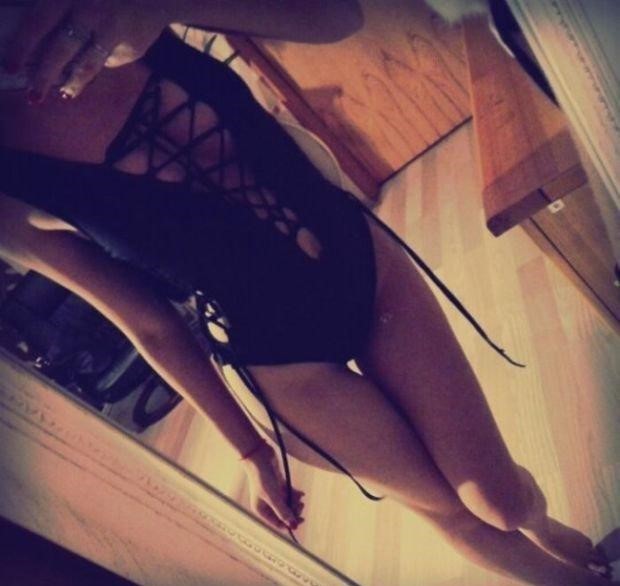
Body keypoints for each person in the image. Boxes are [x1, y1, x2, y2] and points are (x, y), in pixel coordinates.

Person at [0, 2, 612, 584]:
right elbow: (150, 325)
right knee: (451, 512)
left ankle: (542, 524)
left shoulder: (106, 11)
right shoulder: (10, 187)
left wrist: (158, 5)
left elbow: (340, 16)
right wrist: (251, 452)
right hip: (284, 364)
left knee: (500, 501)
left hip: (363, 266)